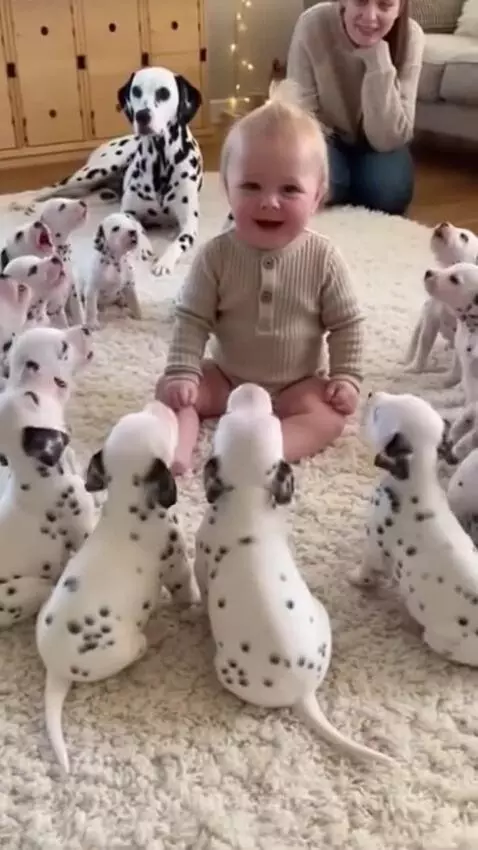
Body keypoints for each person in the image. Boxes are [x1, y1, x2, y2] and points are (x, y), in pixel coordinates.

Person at [155, 81, 365, 474]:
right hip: (228, 377)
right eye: (251, 186)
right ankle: (178, 454)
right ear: (227, 188)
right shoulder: (216, 256)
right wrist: (184, 370)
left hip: (296, 385)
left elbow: (347, 324)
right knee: (173, 392)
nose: (269, 201)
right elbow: (192, 318)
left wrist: (346, 378)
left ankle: (264, 452)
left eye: (290, 189)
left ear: (318, 197)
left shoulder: (324, 258)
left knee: (329, 418)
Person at [287, 0, 425, 216]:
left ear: (399, 9)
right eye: (360, 1)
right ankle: (345, 182)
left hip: (380, 145)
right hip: (324, 137)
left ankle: (349, 184)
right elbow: (299, 112)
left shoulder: (412, 37)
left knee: (388, 192)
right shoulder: (312, 24)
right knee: (305, 179)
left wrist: (378, 61)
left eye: (385, 5)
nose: (370, 17)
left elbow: (390, 138)